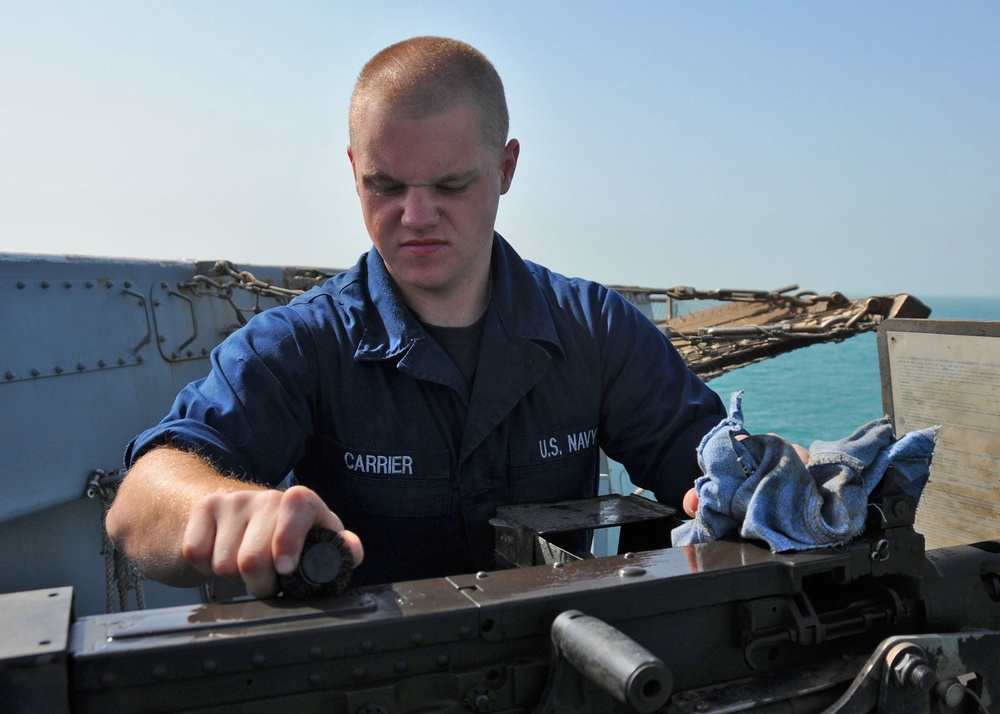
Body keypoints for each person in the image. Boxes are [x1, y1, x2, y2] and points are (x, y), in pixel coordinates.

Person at [105, 36, 731, 598]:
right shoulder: (300, 345)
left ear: (506, 169)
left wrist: (789, 480)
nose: (417, 215)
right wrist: (222, 508)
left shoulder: (595, 331)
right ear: (354, 173)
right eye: (387, 186)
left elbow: (711, 463)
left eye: (451, 185)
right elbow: (139, 502)